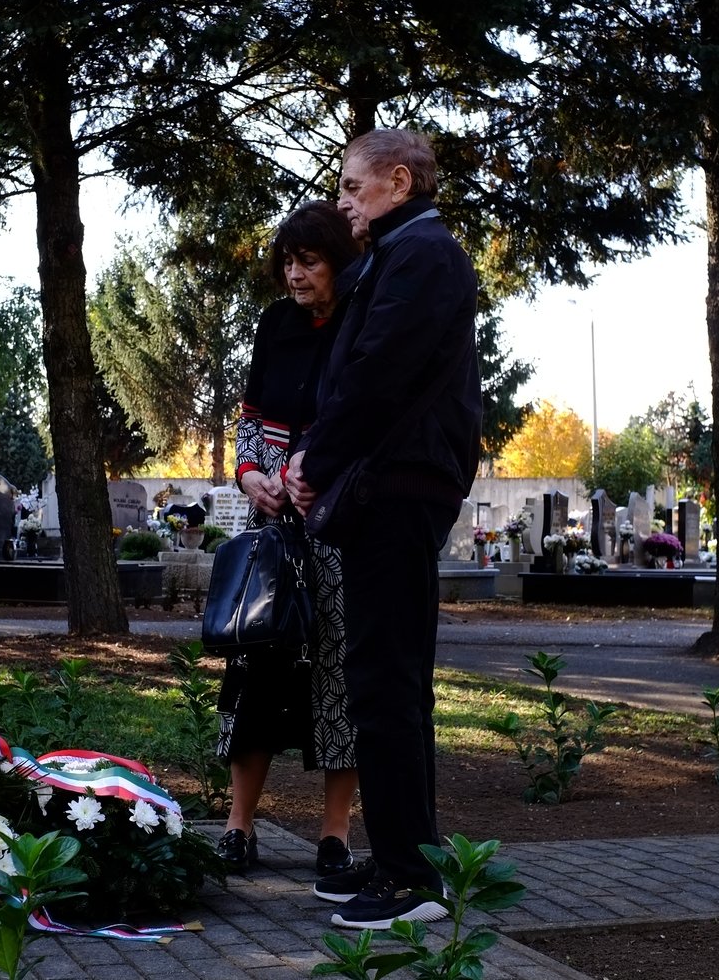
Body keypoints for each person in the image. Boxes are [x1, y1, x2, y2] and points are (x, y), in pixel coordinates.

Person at [286, 129, 480, 930]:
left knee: (388, 680)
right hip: (390, 482)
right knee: (381, 678)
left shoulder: (423, 253)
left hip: (399, 484)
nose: (341, 203)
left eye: (351, 188)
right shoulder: (402, 252)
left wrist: (314, 462)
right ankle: (408, 854)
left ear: (399, 181)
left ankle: (412, 881)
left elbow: (376, 373)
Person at [214, 200, 362, 881]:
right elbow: (250, 420)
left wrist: (320, 480)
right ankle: (239, 827)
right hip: (273, 529)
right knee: (256, 671)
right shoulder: (274, 324)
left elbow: (365, 421)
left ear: (339, 260)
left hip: (340, 531)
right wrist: (251, 479)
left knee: (338, 677)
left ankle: (333, 836)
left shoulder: (363, 320)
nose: (296, 276)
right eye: (288, 263)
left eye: (310, 262)